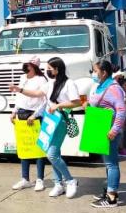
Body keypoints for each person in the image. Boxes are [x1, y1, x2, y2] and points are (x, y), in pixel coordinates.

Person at [13, 57, 82, 198]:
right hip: (48, 120)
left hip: (60, 120)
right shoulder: (50, 83)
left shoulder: (69, 83)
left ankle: (70, 180)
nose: (47, 70)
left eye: (50, 68)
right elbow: (36, 94)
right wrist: (19, 89)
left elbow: (76, 102)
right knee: (52, 154)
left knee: (51, 154)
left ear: (57, 69)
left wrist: (58, 105)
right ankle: (58, 184)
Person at [89, 60, 126, 208]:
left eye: (95, 71)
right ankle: (110, 190)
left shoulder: (113, 88)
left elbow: (121, 109)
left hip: (109, 130)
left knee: (112, 163)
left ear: (104, 72)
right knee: (108, 162)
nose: (93, 74)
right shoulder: (102, 86)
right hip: (101, 127)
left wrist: (114, 130)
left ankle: (111, 197)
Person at [8, 57, 48, 190]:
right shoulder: (22, 78)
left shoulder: (41, 80)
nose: (25, 67)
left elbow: (43, 100)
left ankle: (40, 179)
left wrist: (35, 114)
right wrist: (14, 111)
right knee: (24, 147)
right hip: (22, 115)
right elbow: (19, 97)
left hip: (34, 116)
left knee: (38, 149)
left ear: (34, 66)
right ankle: (25, 178)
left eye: (28, 65)